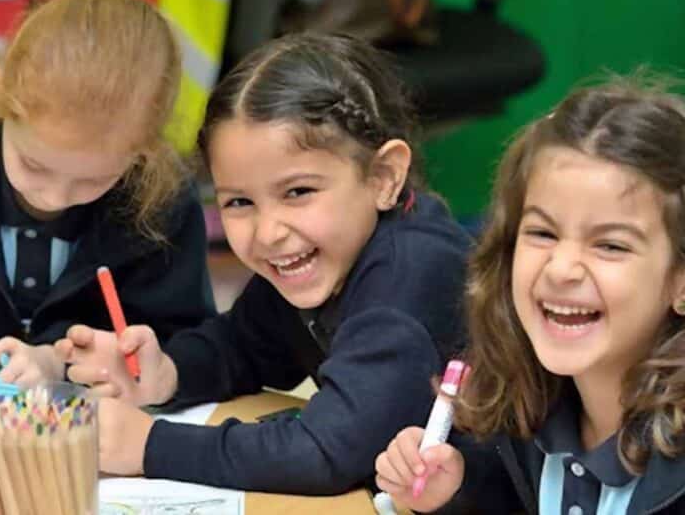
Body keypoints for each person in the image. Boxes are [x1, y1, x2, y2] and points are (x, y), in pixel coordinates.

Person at [57, 32, 472, 494]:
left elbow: (326, 453)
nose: (268, 231)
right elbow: (244, 344)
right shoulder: (320, 258)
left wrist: (148, 445)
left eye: (298, 192)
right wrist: (165, 373)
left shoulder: (409, 276)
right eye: (238, 202)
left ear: (383, 177)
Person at [375, 76, 685, 513]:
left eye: (610, 245)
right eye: (542, 232)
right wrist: (454, 492)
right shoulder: (527, 409)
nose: (560, 269)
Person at [0, 0, 215, 387]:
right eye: (34, 165)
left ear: (145, 151)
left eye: (95, 180)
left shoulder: (164, 201)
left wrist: (61, 363)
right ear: (0, 93)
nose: (53, 197)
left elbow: (181, 343)